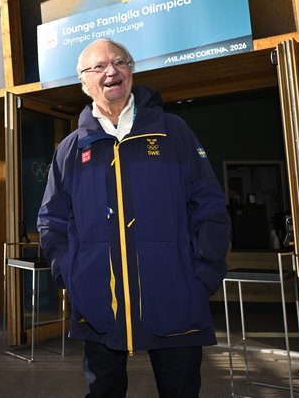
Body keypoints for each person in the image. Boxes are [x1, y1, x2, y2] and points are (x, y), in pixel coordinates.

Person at [37, 38, 231, 398]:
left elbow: (210, 207)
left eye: (120, 62)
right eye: (99, 66)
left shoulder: (173, 132)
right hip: (98, 301)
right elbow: (51, 221)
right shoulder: (70, 150)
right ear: (84, 81)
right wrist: (71, 275)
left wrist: (203, 276)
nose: (111, 70)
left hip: (175, 298)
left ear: (131, 71)